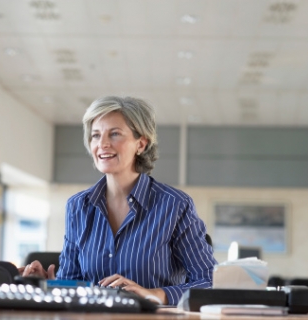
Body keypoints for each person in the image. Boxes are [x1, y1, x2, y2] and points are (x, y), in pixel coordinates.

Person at [19, 96, 217, 305]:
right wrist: (49, 285)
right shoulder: (77, 206)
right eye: (96, 136)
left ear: (140, 144)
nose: (102, 144)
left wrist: (153, 294)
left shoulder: (175, 205)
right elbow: (72, 282)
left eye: (114, 134)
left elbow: (210, 281)